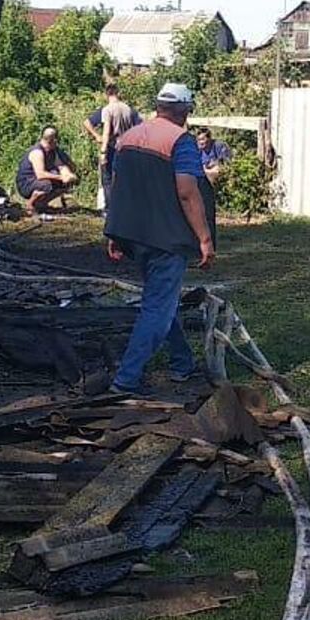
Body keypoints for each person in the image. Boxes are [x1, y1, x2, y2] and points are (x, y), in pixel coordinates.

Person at [103, 82, 217, 394]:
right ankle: (126, 380)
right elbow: (187, 192)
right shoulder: (180, 141)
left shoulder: (128, 138)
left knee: (160, 301)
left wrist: (114, 232)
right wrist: (204, 239)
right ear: (183, 111)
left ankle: (182, 364)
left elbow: (117, 185)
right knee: (157, 308)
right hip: (165, 239)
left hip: (133, 235)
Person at [84, 83, 139, 209]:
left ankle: (110, 209)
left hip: (112, 148)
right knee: (124, 179)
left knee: (107, 179)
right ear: (118, 93)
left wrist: (102, 146)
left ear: (106, 94)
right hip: (127, 147)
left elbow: (106, 130)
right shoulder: (128, 109)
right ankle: (125, 207)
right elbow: (139, 127)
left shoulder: (107, 110)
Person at [16, 127, 78, 215]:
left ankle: (41, 204)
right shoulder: (37, 152)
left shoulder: (54, 151)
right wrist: (61, 177)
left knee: (65, 183)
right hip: (26, 183)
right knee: (47, 184)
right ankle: (30, 205)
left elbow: (61, 166)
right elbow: (40, 174)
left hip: (38, 181)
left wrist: (68, 175)